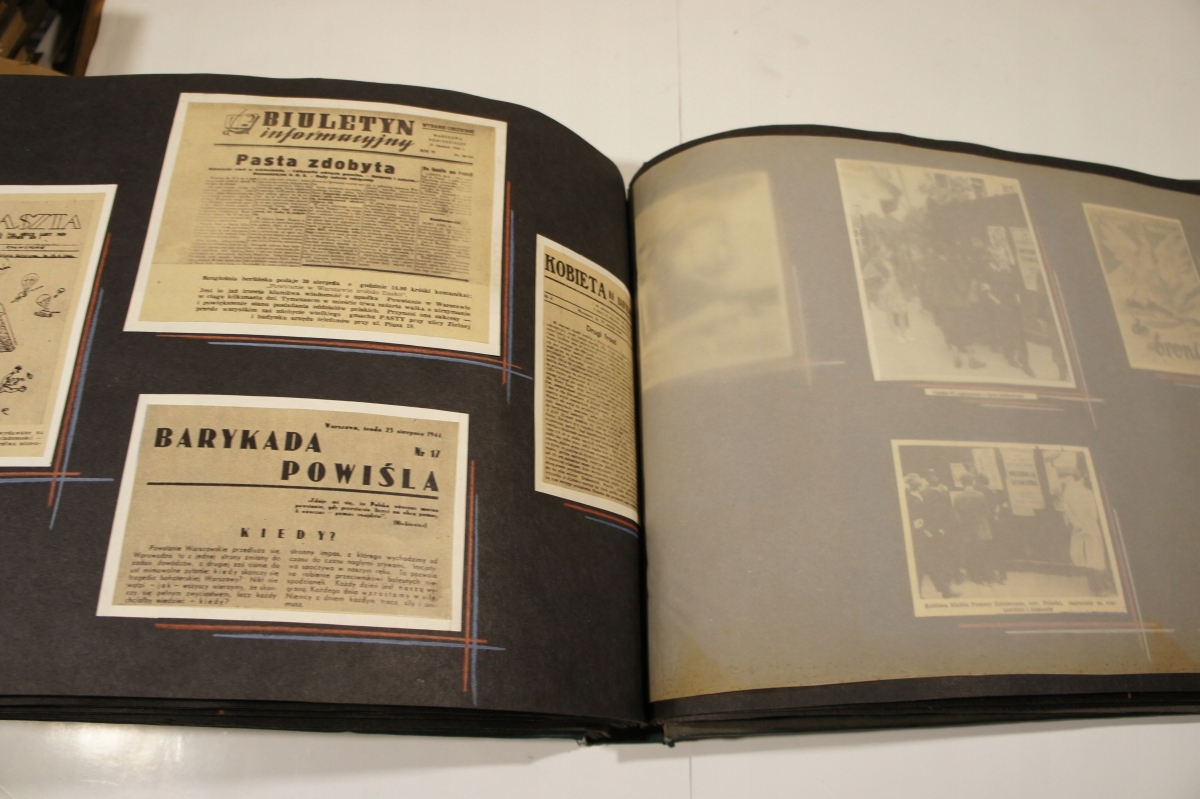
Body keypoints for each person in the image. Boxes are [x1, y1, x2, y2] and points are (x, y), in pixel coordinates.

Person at [1059, 466, 1113, 595]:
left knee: (1087, 557)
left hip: (1080, 527)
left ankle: (1096, 587)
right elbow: (1094, 513)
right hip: (1090, 526)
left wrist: (1077, 524)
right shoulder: (1086, 492)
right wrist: (1086, 524)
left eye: (1066, 477)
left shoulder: (1067, 493)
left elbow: (1067, 513)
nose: (1064, 480)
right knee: (1096, 556)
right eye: (1063, 477)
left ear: (1072, 478)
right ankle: (1101, 587)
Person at [951, 473, 997, 585]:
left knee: (970, 553)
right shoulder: (980, 495)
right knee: (982, 552)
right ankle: (986, 576)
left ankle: (975, 576)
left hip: (966, 529)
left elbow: (956, 515)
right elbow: (986, 511)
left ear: (962, 483)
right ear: (972, 482)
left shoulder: (958, 497)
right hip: (980, 528)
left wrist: (963, 522)